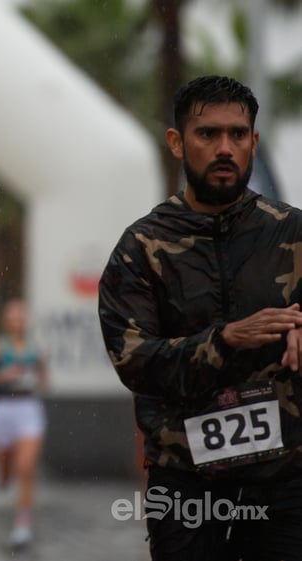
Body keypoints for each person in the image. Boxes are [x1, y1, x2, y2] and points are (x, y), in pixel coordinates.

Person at [98, 74, 302, 561]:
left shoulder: (292, 232)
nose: (225, 148)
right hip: (185, 475)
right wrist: (226, 340)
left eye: (237, 134)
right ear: (177, 141)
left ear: (254, 141)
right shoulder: (142, 246)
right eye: (208, 134)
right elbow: (134, 362)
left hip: (286, 475)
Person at [0, 298, 48, 548]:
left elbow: (44, 382)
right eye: (13, 316)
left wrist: (37, 376)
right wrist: (3, 375)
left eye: (21, 315)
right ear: (6, 320)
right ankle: (3, 478)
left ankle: (22, 526)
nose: (17, 320)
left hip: (28, 408)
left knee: (25, 469)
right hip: (1, 408)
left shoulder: (35, 348)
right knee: (6, 471)